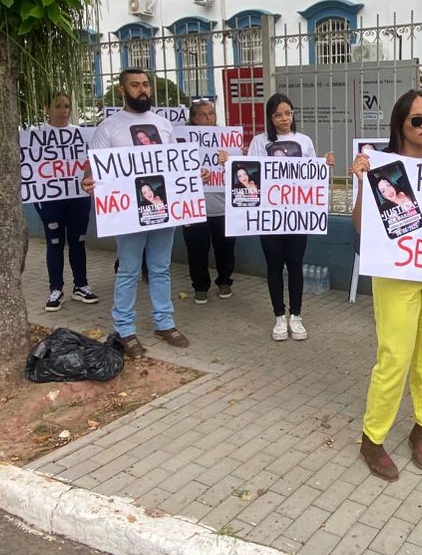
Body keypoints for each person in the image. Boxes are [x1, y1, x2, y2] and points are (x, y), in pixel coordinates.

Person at [350, 89, 422, 480]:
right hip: (396, 275)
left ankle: (421, 428)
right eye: (417, 120)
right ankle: (372, 439)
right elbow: (361, 225)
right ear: (400, 125)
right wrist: (357, 181)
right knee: (395, 355)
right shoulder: (380, 168)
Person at [82, 68, 188, 359]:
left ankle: (164, 323)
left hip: (162, 208)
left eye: (145, 84)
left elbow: (174, 163)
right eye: (135, 85)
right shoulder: (109, 127)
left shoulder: (163, 125)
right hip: (128, 212)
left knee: (160, 268)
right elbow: (94, 166)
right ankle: (125, 330)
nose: (142, 90)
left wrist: (193, 174)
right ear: (122, 90)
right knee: (128, 270)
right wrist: (88, 180)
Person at [223, 92, 334, 341]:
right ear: (270, 118)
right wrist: (229, 162)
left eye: (288, 113)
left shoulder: (304, 141)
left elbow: (314, 177)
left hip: (297, 216)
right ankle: (278, 317)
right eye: (278, 114)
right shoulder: (260, 142)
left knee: (295, 266)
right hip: (269, 217)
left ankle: (296, 316)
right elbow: (248, 172)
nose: (284, 118)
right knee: (274, 267)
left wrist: (324, 164)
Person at [33, 92, 97, 312]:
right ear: (47, 109)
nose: (63, 110)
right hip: (50, 199)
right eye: (58, 106)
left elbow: (91, 163)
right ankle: (56, 289)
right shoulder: (35, 136)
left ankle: (81, 285)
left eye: (67, 106)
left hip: (78, 197)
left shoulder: (81, 134)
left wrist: (88, 177)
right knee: (55, 242)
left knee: (78, 241)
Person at [180, 99, 235, 303]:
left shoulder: (226, 139)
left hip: (223, 206)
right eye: (203, 114)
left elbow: (238, 170)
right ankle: (200, 286)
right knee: (196, 249)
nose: (208, 118)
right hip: (194, 207)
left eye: (211, 113)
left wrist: (236, 157)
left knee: (226, 248)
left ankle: (224, 281)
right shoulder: (183, 141)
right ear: (193, 118)